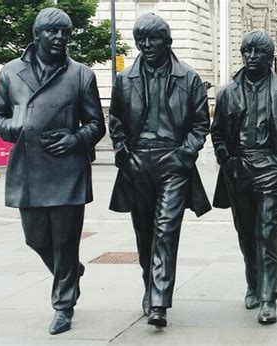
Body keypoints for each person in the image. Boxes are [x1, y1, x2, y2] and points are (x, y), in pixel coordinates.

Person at [0, 8, 106, 335]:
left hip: (68, 169)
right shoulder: (11, 72)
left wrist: (76, 138)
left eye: (65, 33)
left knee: (66, 242)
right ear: (37, 35)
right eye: (53, 32)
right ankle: (71, 271)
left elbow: (97, 123)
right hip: (29, 169)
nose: (60, 38)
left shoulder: (80, 74)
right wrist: (16, 128)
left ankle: (63, 306)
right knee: (36, 238)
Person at [108, 13, 211, 328]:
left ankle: (158, 302)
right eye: (141, 39)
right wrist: (124, 154)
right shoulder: (125, 80)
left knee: (166, 231)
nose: (146, 45)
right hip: (137, 162)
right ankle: (150, 285)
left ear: (168, 42)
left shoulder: (188, 78)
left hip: (173, 162)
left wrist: (185, 155)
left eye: (153, 39)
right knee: (145, 233)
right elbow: (115, 122)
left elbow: (200, 124)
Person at [211, 31, 277, 324]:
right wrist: (227, 160)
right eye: (247, 51)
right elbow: (217, 133)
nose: (251, 57)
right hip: (239, 170)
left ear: (269, 58)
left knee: (267, 234)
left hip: (271, 170)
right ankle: (253, 281)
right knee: (246, 233)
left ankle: (268, 297)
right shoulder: (227, 93)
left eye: (258, 52)